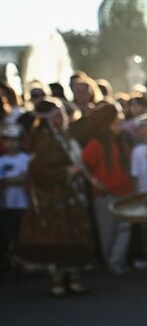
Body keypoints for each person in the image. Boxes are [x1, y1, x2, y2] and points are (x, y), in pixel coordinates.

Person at [16, 100, 95, 296]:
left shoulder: (63, 137)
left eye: (62, 115)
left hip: (68, 196)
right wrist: (69, 171)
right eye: (57, 116)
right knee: (56, 237)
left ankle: (73, 279)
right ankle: (57, 280)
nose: (62, 119)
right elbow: (40, 169)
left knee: (72, 234)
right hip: (51, 198)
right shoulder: (43, 139)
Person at [81, 107, 135, 273]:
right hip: (105, 195)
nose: (119, 124)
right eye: (115, 121)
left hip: (125, 193)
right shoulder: (97, 143)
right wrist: (94, 182)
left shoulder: (124, 140)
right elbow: (83, 164)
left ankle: (117, 262)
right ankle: (110, 262)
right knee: (108, 231)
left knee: (124, 230)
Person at [0, 122, 31, 274]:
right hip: (7, 205)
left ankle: (24, 262)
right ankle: (11, 261)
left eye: (14, 140)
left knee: (23, 234)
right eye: (7, 140)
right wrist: (14, 180)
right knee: (9, 234)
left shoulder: (25, 159)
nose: (11, 144)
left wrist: (10, 181)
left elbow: (27, 177)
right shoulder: (2, 161)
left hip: (23, 203)